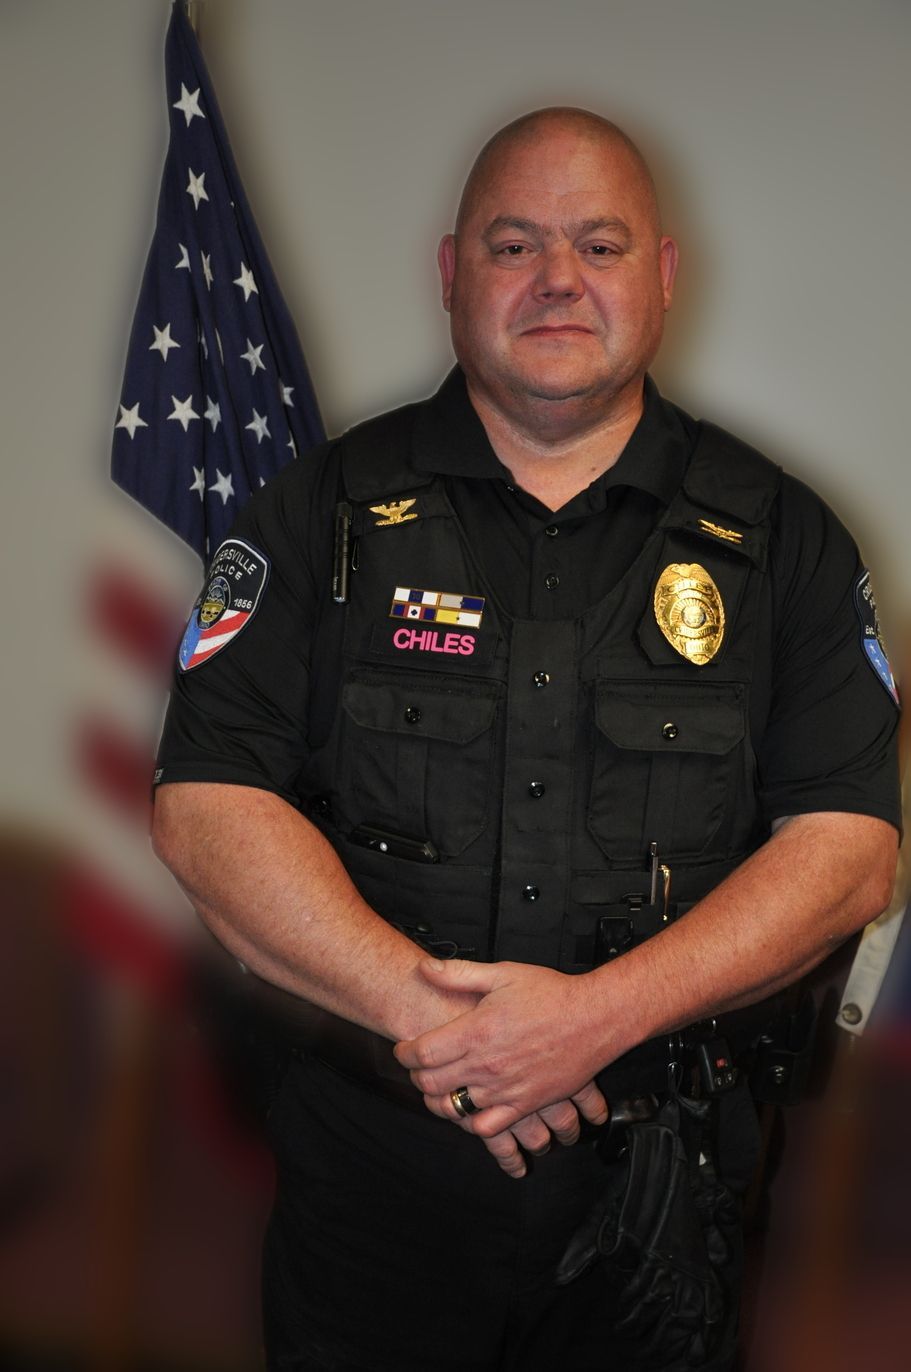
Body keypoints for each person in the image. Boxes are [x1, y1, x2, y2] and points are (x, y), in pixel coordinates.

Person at [152, 108, 901, 1371]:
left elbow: (847, 851)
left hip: (659, 1206)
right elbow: (204, 804)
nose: (557, 278)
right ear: (451, 274)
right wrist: (447, 1031)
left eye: (598, 245)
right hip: (374, 1193)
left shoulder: (784, 541)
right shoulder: (317, 514)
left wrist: (593, 1020)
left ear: (661, 275)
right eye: (514, 245)